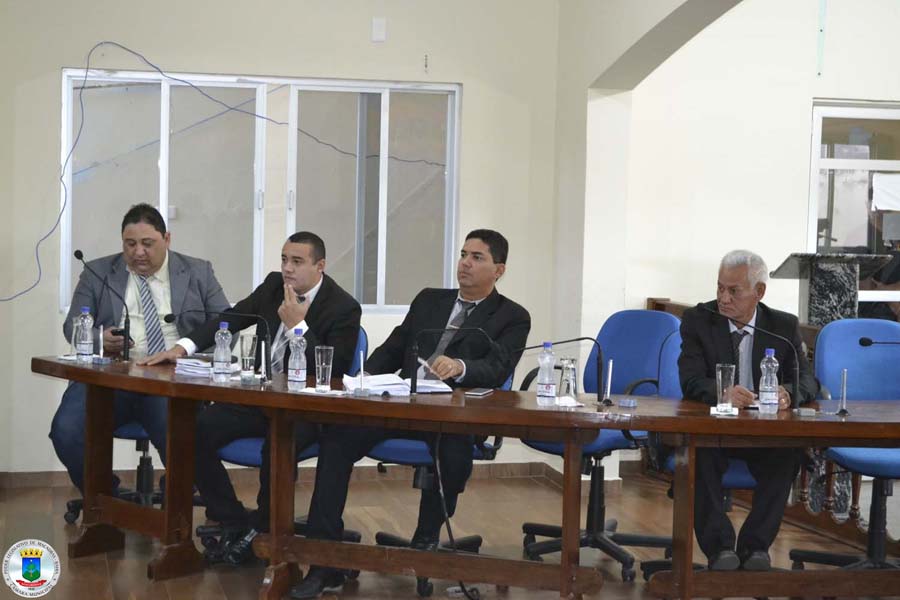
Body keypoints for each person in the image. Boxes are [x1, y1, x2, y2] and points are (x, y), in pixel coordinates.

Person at [291, 229, 531, 599]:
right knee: (337, 438)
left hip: (452, 415)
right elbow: (395, 347)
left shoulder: (512, 317)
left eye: (477, 257)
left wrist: (461, 366)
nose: (465, 263)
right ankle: (324, 562)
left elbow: (498, 367)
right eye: (463, 254)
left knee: (452, 451)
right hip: (401, 402)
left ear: (498, 270)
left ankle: (425, 541)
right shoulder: (429, 300)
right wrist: (364, 378)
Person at [140, 231, 361, 564]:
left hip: (304, 408)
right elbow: (231, 318)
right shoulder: (274, 286)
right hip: (260, 398)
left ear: (320, 266)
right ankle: (233, 519)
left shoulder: (343, 307)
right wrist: (182, 348)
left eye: (297, 261)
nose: (287, 268)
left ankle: (266, 531)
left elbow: (334, 372)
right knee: (189, 429)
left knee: (277, 444)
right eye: (284, 259)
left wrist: (298, 327)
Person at [50, 203, 231, 495]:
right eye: (130, 244)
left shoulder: (198, 271)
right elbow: (72, 326)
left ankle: (178, 499)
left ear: (167, 239)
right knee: (67, 430)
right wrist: (99, 338)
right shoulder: (98, 272)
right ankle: (105, 497)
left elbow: (227, 324)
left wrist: (184, 349)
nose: (138, 252)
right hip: (110, 378)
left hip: (172, 378)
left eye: (148, 243)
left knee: (179, 434)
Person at [679, 249, 818, 571]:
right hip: (715, 431)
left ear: (759, 292)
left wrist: (789, 393)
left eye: (733, 290)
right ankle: (720, 550)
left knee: (787, 455)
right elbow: (690, 379)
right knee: (700, 455)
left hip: (763, 432)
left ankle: (756, 548)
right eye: (719, 288)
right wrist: (722, 392)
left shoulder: (781, 325)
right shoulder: (699, 320)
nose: (723, 298)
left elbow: (808, 380)